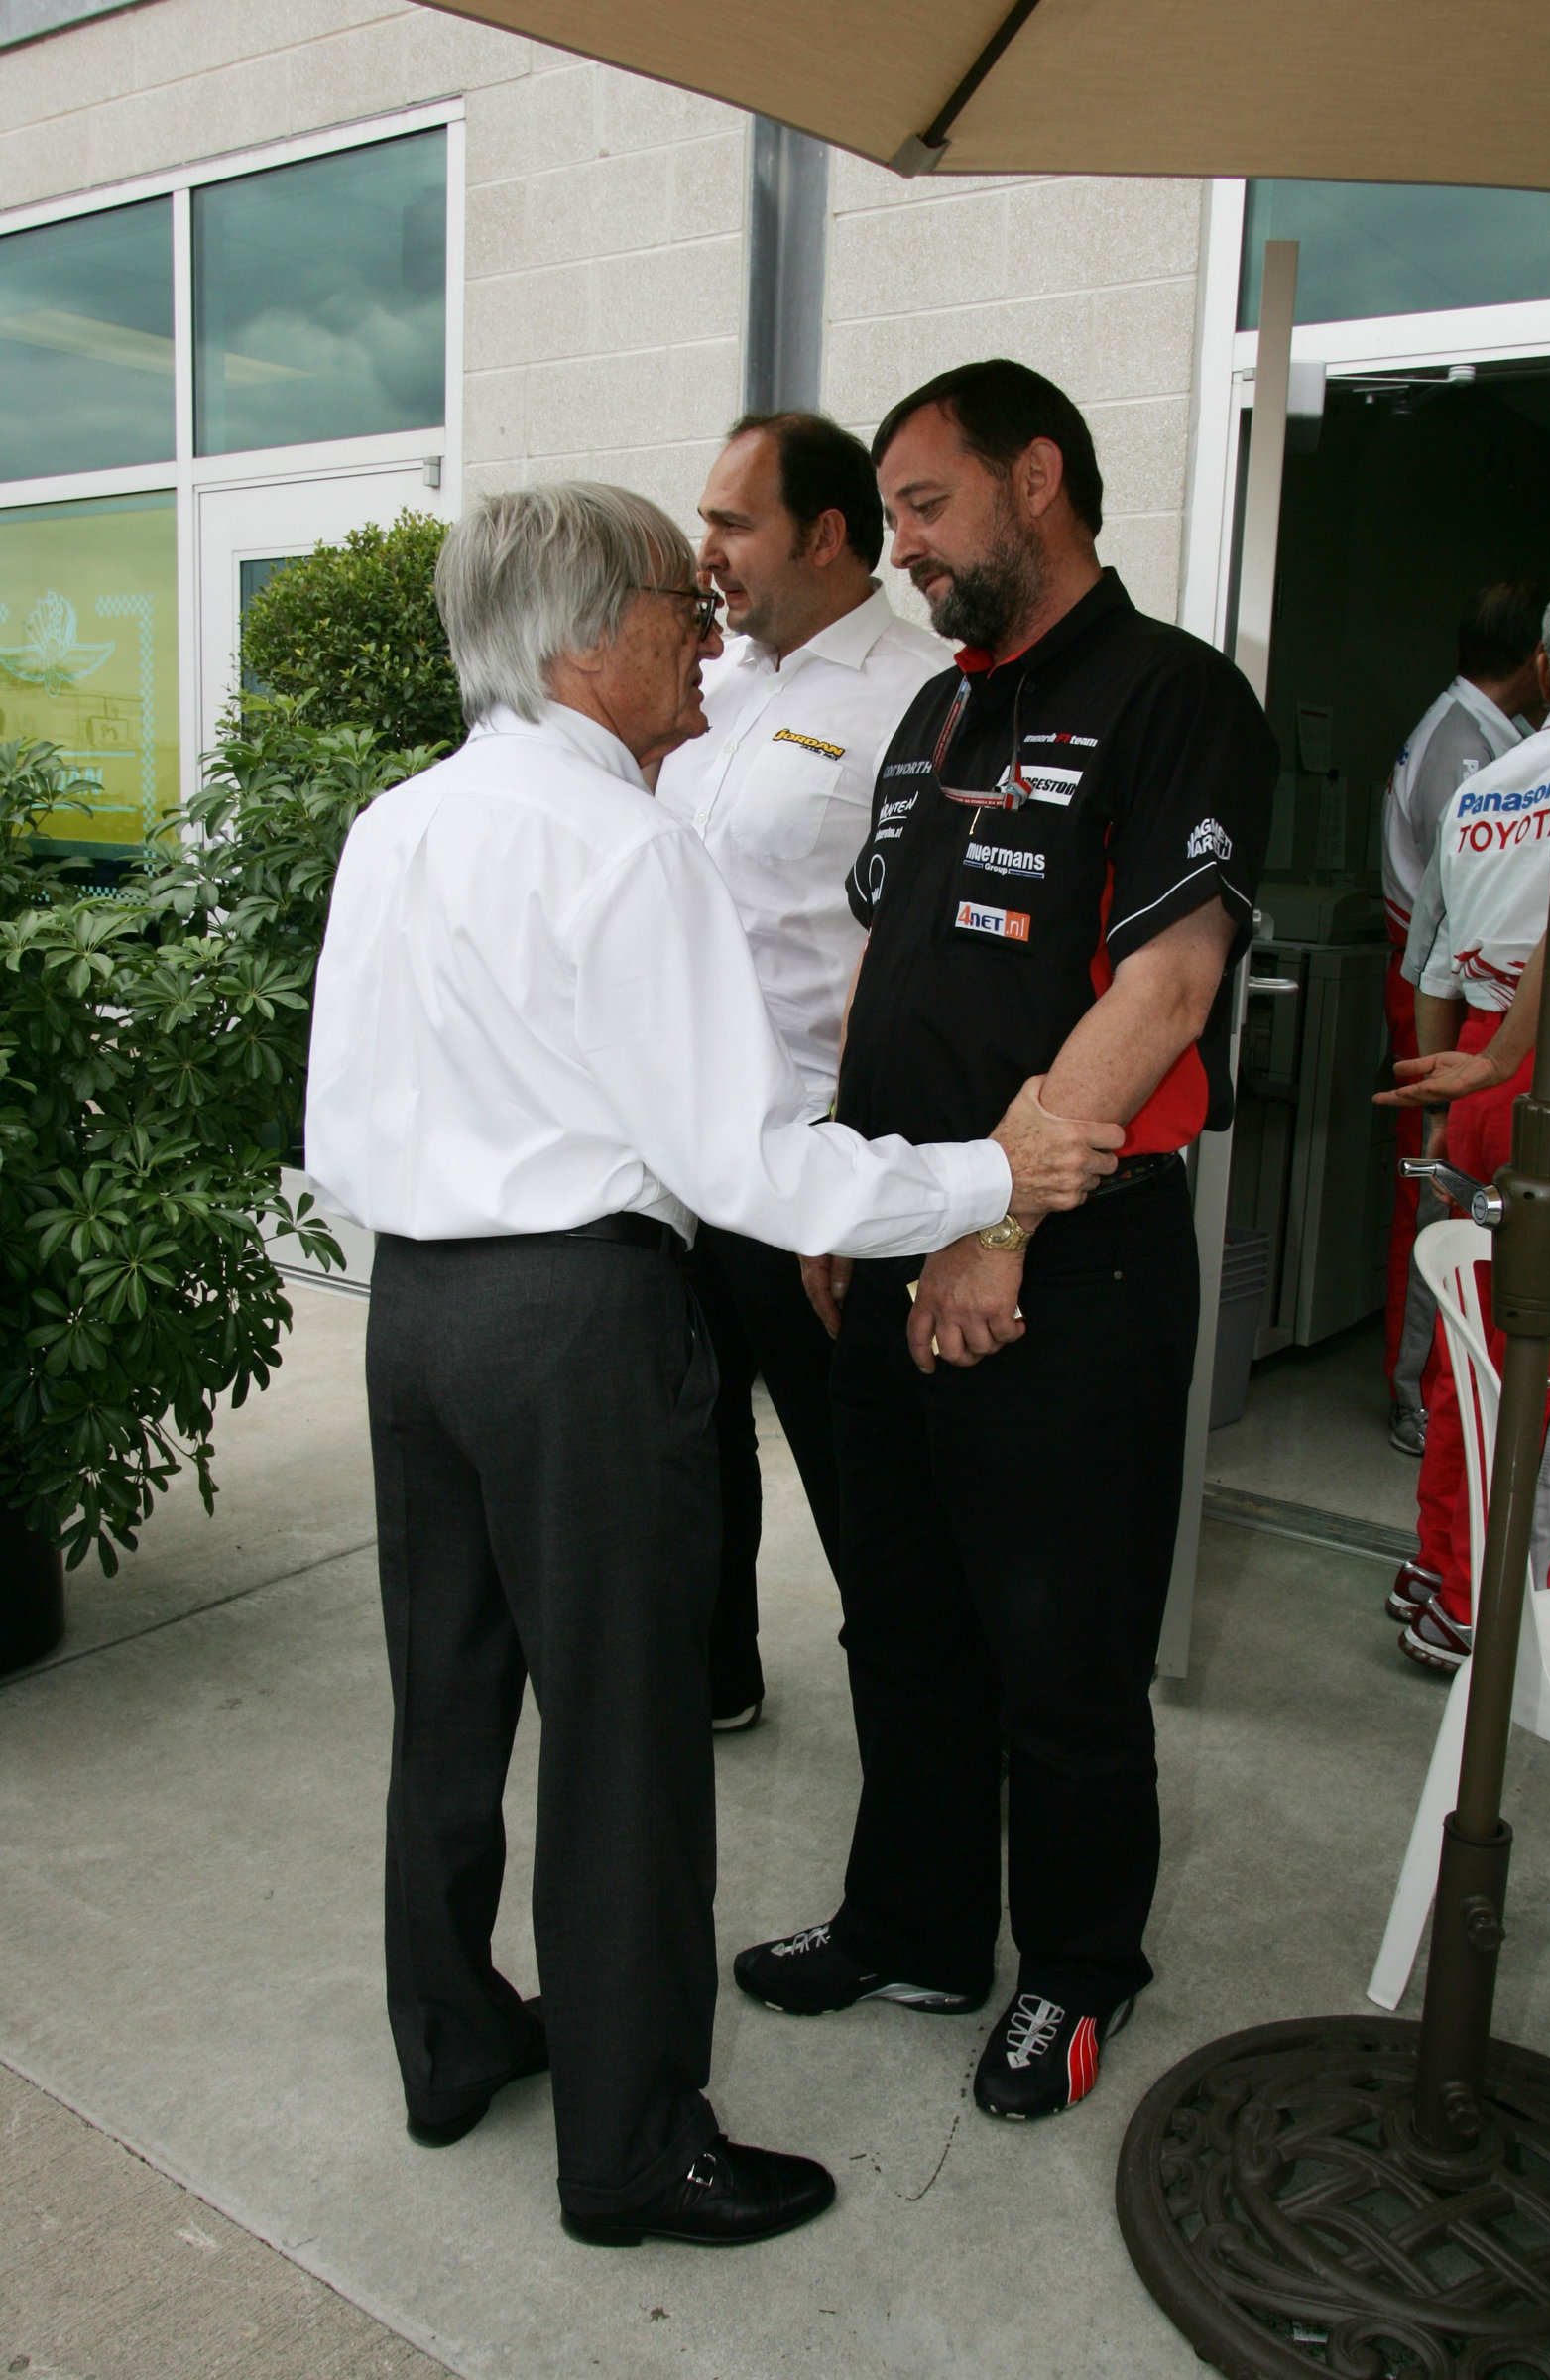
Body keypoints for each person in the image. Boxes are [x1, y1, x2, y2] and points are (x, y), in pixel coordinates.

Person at [304, 482, 1125, 2248]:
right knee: (624, 1742)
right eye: (685, 606)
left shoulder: (404, 822)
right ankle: (630, 2146)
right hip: (575, 1329)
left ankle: (452, 2041)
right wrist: (998, 1174)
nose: (714, 633)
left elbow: (339, 1119)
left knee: (449, 1712)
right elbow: (756, 1165)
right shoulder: (622, 846)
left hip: (425, 1316)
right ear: (590, 639)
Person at [733, 362, 1277, 2121]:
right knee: (899, 1621)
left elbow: (1170, 982)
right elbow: (887, 970)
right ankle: (913, 1923)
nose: (902, 548)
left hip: (1067, 1267)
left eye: (924, 504)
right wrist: (845, 1184)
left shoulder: (1174, 697)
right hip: (897, 1244)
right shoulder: (940, 713)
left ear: (1036, 480)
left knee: (1059, 1650)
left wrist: (998, 1219)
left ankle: (1078, 1966)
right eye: (892, 513)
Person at [655, 412, 946, 1731]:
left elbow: (922, 948)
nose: (703, 548)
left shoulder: (922, 698)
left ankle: (927, 1729)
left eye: (731, 521)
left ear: (826, 536)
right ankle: (714, 1675)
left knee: (860, 1473)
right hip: (677, 1147)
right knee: (690, 1438)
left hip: (811, 1152)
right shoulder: (704, 687)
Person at [1376, 577, 1550, 1675]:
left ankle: (1437, 1573)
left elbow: (1436, 960)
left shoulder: (1487, 783)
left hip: (1477, 1070)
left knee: (1470, 1354)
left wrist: (1460, 1098)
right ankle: (1496, 1613)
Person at [1379, 583, 1545, 1457]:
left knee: (1465, 1209)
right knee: (1447, 1204)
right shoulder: (1465, 750)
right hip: (1461, 1009)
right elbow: (1446, 925)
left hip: (1458, 996)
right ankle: (1418, 1394)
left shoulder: (1488, 745)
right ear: (1538, 663)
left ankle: (1433, 1400)